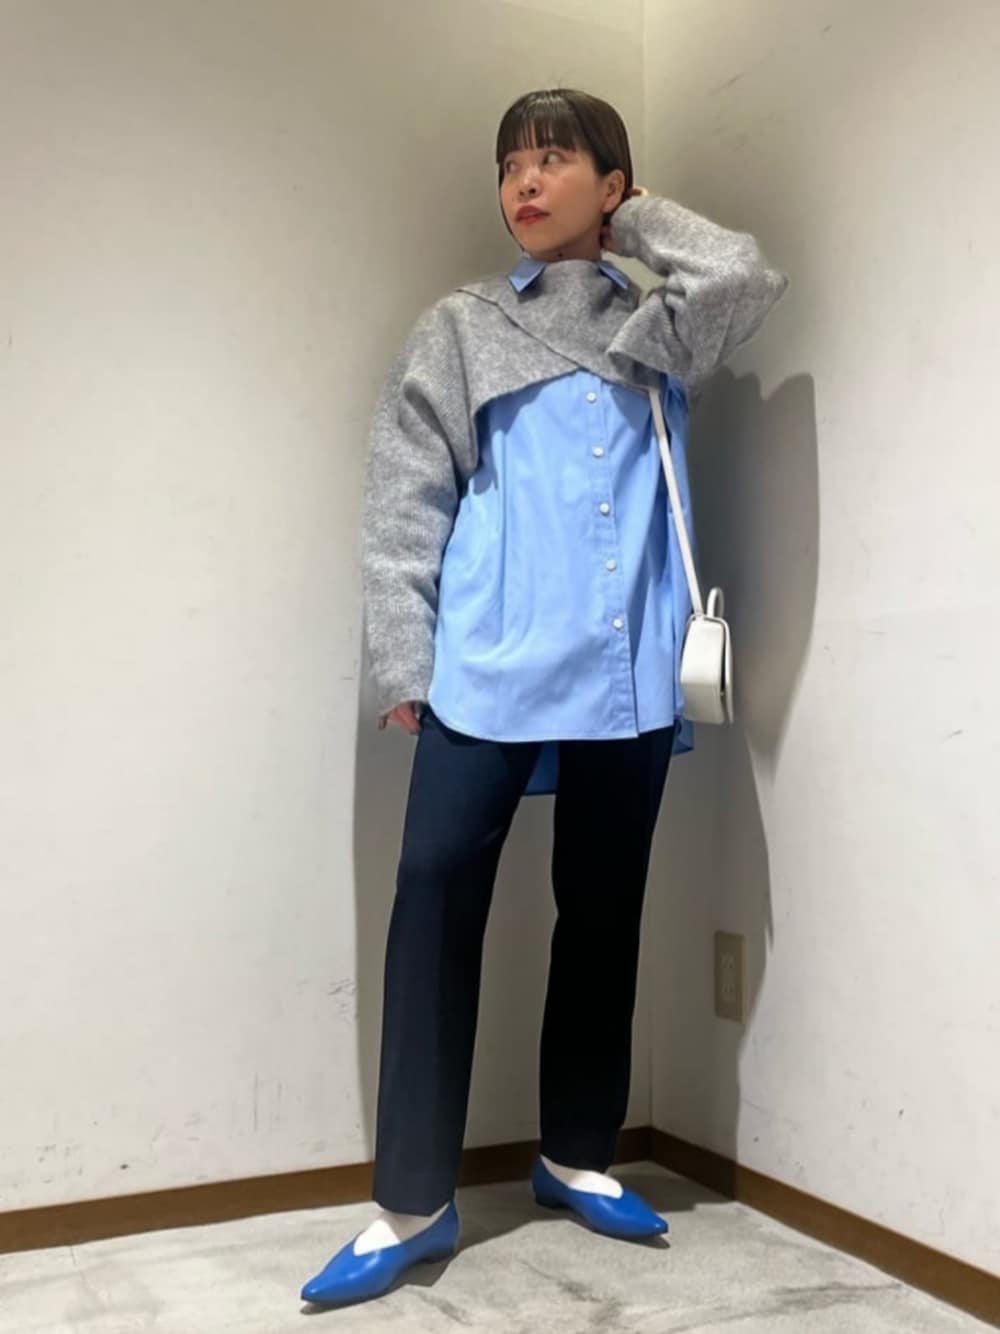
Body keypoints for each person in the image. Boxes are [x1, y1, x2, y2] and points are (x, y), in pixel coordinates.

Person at [300, 87, 789, 1308]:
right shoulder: (461, 326)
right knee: (432, 906)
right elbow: (404, 501)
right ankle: (412, 1200)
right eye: (510, 163)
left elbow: (742, 273)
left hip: (628, 669)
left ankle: (575, 1152)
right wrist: (406, 662)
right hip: (486, 664)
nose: (523, 181)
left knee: (604, 909)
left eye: (555, 159)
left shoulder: (658, 323)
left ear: (611, 184)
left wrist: (633, 224)